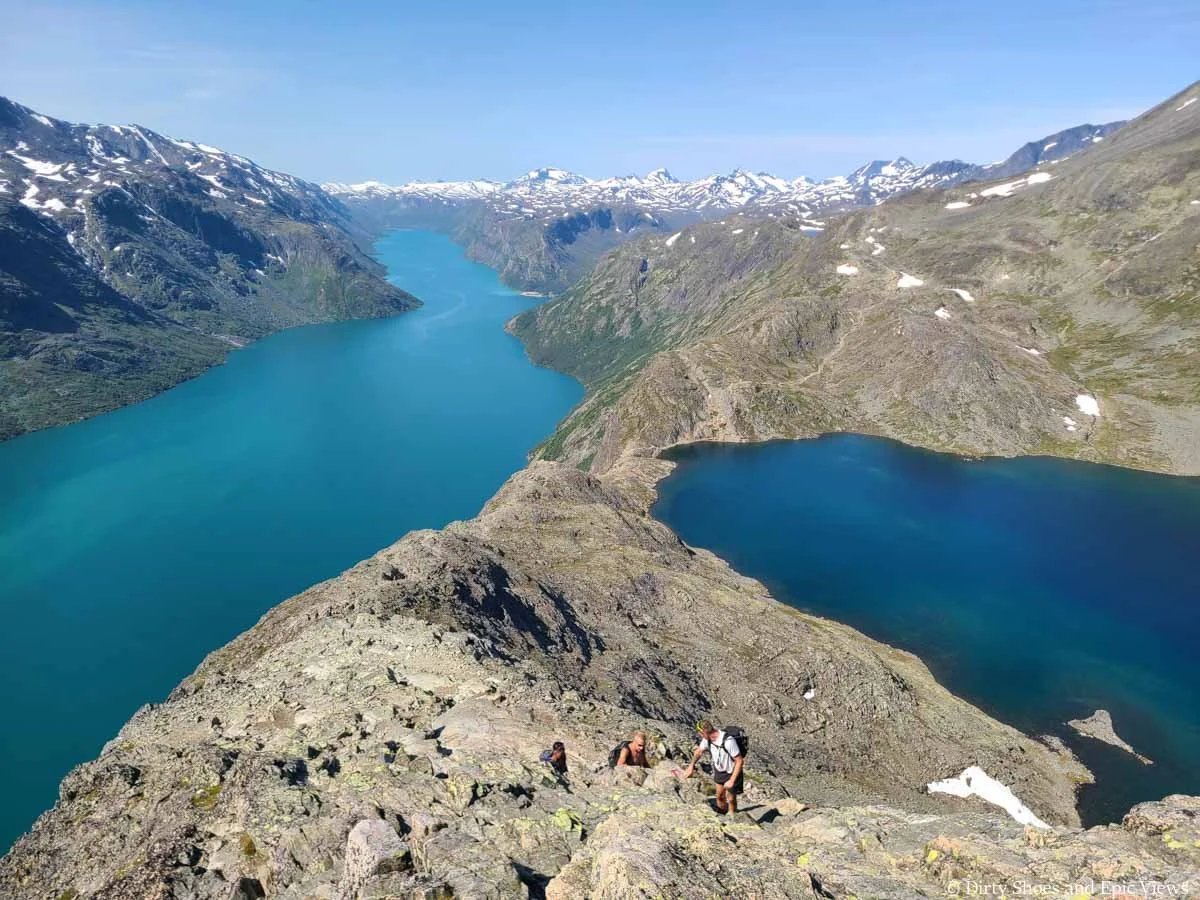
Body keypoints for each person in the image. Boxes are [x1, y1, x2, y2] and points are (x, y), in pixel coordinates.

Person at [680, 720, 744, 814]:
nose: (700, 736)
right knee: (719, 796)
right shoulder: (707, 739)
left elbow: (739, 761)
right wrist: (691, 766)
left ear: (704, 732)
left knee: (730, 798)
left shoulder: (728, 741)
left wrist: (732, 780)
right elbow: (699, 752)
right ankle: (721, 814)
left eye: (700, 734)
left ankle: (732, 816)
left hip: (732, 771)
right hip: (719, 770)